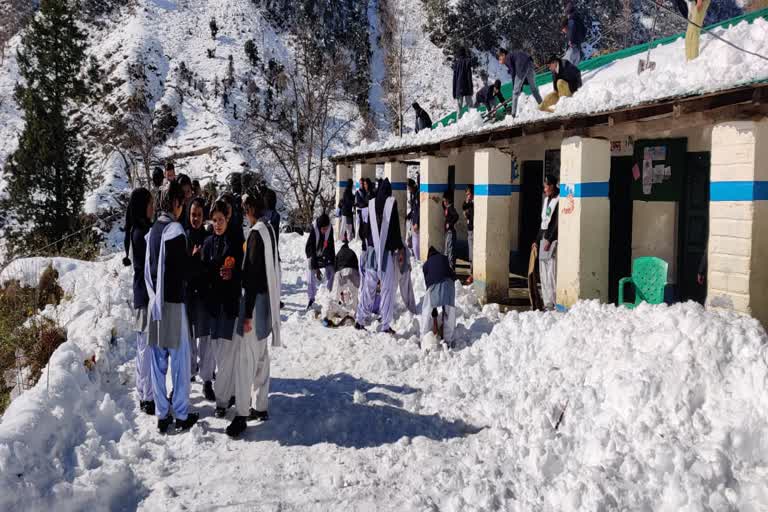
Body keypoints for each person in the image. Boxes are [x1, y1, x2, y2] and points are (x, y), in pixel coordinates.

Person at [144, 180, 199, 433]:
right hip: (174, 303)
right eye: (182, 203)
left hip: (155, 303)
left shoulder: (154, 229)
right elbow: (181, 271)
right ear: (176, 203)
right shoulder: (176, 231)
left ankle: (162, 414)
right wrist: (194, 260)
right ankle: (180, 412)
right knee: (179, 361)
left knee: (157, 362)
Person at [226, 194, 281, 437]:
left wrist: (246, 313)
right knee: (261, 356)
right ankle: (260, 405)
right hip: (267, 302)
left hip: (255, 303)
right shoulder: (268, 229)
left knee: (245, 359)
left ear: (250, 211)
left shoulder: (256, 234)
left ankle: (241, 413)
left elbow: (250, 276)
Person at [202, 200, 244, 419]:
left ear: (228, 219)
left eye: (220, 220)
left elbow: (244, 273)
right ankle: (232, 390)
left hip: (229, 305)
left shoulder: (236, 243)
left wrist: (233, 275)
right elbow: (202, 273)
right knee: (218, 352)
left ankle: (222, 400)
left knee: (228, 352)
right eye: (214, 220)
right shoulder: (208, 244)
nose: (217, 224)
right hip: (213, 306)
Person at [355, 178, 405, 334]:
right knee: (387, 289)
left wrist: (367, 243)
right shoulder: (391, 203)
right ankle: (385, 324)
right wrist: (400, 248)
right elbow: (396, 229)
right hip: (385, 255)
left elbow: (364, 229)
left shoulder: (370, 203)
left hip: (371, 252)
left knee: (369, 287)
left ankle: (360, 319)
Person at [124, 188, 155, 416]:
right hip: (145, 296)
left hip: (140, 295)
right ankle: (147, 396)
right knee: (147, 347)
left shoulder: (138, 230)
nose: (153, 208)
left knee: (142, 346)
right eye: (150, 204)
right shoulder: (141, 234)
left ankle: (142, 391)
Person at [186, 197, 215, 400]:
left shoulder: (208, 238)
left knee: (205, 339)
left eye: (198, 214)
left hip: (204, 295)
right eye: (192, 214)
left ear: (204, 216)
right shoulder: (183, 236)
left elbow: (210, 268)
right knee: (188, 339)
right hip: (188, 295)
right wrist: (192, 259)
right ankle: (188, 375)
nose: (195, 218)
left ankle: (206, 380)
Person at [420, 247, 457, 348]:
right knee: (449, 313)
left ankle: (424, 338)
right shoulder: (444, 259)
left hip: (433, 285)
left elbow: (428, 284)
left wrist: (434, 311)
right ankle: (448, 341)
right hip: (449, 285)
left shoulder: (426, 265)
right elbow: (453, 276)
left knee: (427, 311)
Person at [322, 236, 360, 326]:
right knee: (356, 295)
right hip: (353, 272)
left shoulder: (339, 253)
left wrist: (339, 291)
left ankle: (325, 316)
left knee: (334, 296)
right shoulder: (353, 252)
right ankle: (356, 315)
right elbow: (357, 267)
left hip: (341, 272)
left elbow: (335, 270)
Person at [535, 175, 560, 310]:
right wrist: (537, 240)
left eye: (546, 186)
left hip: (552, 240)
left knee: (551, 273)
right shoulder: (546, 201)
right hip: (544, 239)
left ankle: (554, 302)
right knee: (543, 273)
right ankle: (547, 302)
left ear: (552, 186)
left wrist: (550, 240)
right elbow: (543, 222)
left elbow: (556, 223)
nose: (545, 189)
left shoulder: (559, 200)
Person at [496, 48, 544, 118]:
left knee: (515, 92)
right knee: (533, 88)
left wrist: (515, 87)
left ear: (503, 55)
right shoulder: (513, 54)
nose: (499, 62)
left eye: (499, 59)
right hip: (529, 62)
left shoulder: (507, 58)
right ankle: (542, 105)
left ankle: (513, 114)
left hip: (521, 66)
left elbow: (513, 73)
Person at [305, 213, 336, 309]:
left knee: (332, 270)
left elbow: (331, 246)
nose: (325, 231)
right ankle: (311, 298)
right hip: (313, 254)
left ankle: (329, 293)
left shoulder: (330, 229)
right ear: (319, 227)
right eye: (324, 229)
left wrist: (331, 261)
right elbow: (310, 249)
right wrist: (317, 268)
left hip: (324, 254)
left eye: (326, 228)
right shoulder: (314, 229)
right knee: (310, 271)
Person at [452, 47, 474, 119]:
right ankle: (472, 119)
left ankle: (458, 122)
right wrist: (471, 89)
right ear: (465, 53)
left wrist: (454, 92)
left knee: (459, 107)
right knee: (470, 105)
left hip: (458, 88)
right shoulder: (467, 62)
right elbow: (469, 76)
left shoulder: (456, 64)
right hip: (467, 86)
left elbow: (454, 79)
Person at [443, 192, 459, 271]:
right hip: (448, 232)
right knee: (446, 251)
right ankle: (448, 268)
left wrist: (450, 224)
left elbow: (456, 216)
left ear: (448, 200)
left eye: (445, 201)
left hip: (451, 232)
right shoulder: (447, 208)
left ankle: (451, 269)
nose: (444, 202)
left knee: (450, 251)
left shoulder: (451, 208)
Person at [462, 185, 475, 284]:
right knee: (470, 254)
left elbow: (470, 214)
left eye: (469, 194)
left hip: (474, 230)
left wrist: (467, 213)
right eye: (466, 194)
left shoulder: (475, 203)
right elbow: (464, 207)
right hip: (470, 230)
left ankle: (473, 274)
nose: (468, 196)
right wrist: (466, 202)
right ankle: (472, 273)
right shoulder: (469, 203)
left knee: (473, 254)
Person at [406, 179, 420, 259]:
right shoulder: (413, 194)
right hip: (413, 220)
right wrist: (409, 215)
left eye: (409, 187)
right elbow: (414, 209)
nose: (408, 190)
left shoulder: (417, 194)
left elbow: (418, 209)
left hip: (416, 223)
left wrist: (417, 222)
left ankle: (418, 259)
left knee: (416, 244)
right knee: (413, 242)